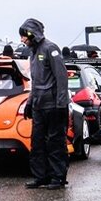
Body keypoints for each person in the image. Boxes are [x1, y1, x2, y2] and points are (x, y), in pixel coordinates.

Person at [19, 18, 70, 190]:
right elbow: (35, 82)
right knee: (37, 142)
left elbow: (61, 78)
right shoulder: (32, 53)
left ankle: (58, 177)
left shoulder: (50, 48)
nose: (22, 40)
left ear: (31, 34)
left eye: (23, 36)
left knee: (55, 143)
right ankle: (41, 176)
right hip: (39, 106)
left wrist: (61, 103)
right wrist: (29, 102)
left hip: (54, 106)